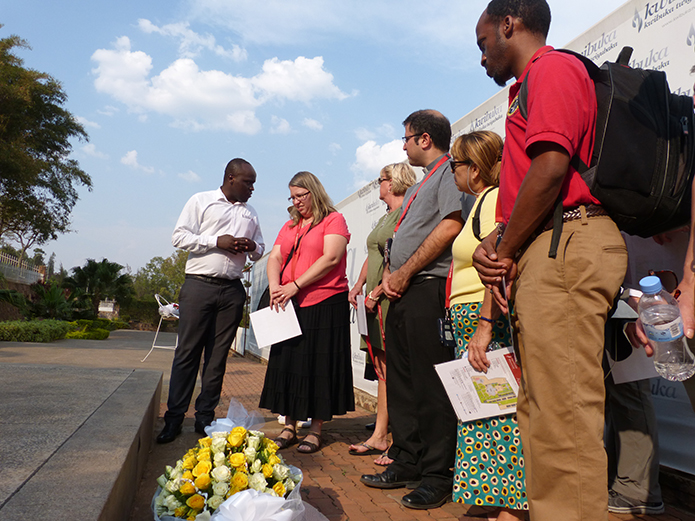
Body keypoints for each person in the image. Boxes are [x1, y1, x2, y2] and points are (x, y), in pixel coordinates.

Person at [471, 2, 628, 520]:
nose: (483, 57)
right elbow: (525, 192)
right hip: (550, 245)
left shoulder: (553, 68)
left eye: (483, 42)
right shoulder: (530, 84)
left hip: (568, 242)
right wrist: (499, 242)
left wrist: (507, 248)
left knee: (563, 415)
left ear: (508, 25)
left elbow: (553, 165)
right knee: (540, 412)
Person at [360, 109, 471, 510]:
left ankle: (437, 474)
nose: (403, 145)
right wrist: (391, 274)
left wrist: (405, 271)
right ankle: (407, 460)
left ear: (425, 139)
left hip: (428, 288)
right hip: (403, 293)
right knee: (403, 383)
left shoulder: (448, 174)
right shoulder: (426, 181)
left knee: (430, 386)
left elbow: (451, 225)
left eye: (406, 138)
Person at [157, 158, 265, 444]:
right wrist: (217, 241)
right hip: (198, 287)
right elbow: (179, 237)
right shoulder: (201, 200)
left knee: (217, 358)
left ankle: (204, 418)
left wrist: (251, 246)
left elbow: (261, 249)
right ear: (231, 178)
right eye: (248, 182)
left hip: (231, 290)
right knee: (187, 353)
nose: (252, 188)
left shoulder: (250, 213)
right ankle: (174, 419)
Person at [449, 130, 527, 520]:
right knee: (481, 413)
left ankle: (512, 505)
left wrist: (484, 323)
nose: (452, 173)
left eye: (455, 166)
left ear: (474, 169)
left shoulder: (495, 199)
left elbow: (494, 263)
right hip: (470, 320)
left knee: (502, 412)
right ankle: (489, 497)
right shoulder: (479, 201)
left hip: (488, 321)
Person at [258, 171, 354, 454]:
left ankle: (316, 429)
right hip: (290, 303)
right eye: (292, 197)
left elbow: (332, 257)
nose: (297, 202)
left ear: (314, 192)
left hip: (324, 302)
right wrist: (277, 286)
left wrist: (295, 285)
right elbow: (275, 256)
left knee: (318, 366)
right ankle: (289, 425)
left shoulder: (333, 219)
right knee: (289, 364)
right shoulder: (290, 225)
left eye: (301, 196)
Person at [347, 162, 417, 465]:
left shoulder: (407, 212)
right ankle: (379, 435)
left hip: (389, 298)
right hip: (372, 300)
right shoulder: (385, 217)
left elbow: (400, 257)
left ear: (394, 182)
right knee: (380, 370)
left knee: (394, 370)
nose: (379, 184)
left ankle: (398, 440)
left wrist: (376, 293)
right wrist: (360, 285)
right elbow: (372, 254)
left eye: (382, 180)